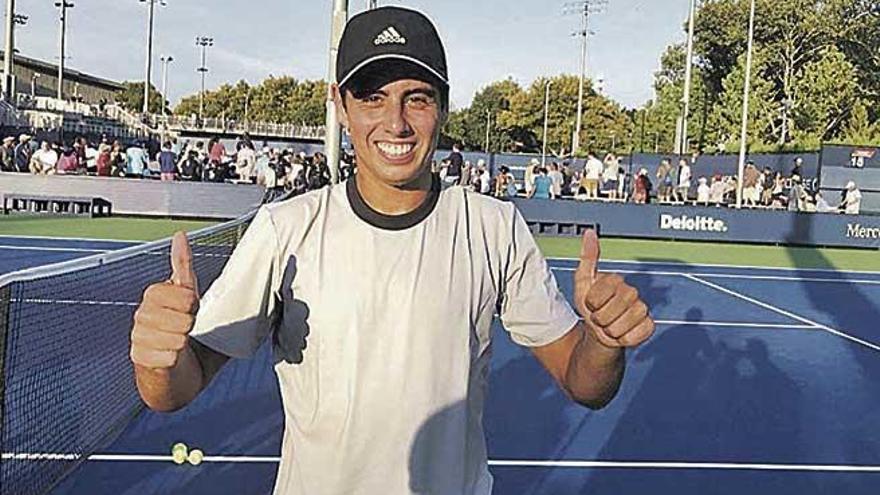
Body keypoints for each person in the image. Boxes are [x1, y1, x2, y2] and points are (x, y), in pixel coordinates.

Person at [129, 7, 654, 495]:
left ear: (443, 107)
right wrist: (157, 359)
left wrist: (604, 341)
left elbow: (584, 382)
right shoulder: (284, 229)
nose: (396, 122)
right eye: (372, 97)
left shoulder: (494, 228)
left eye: (417, 97)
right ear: (340, 105)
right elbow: (173, 390)